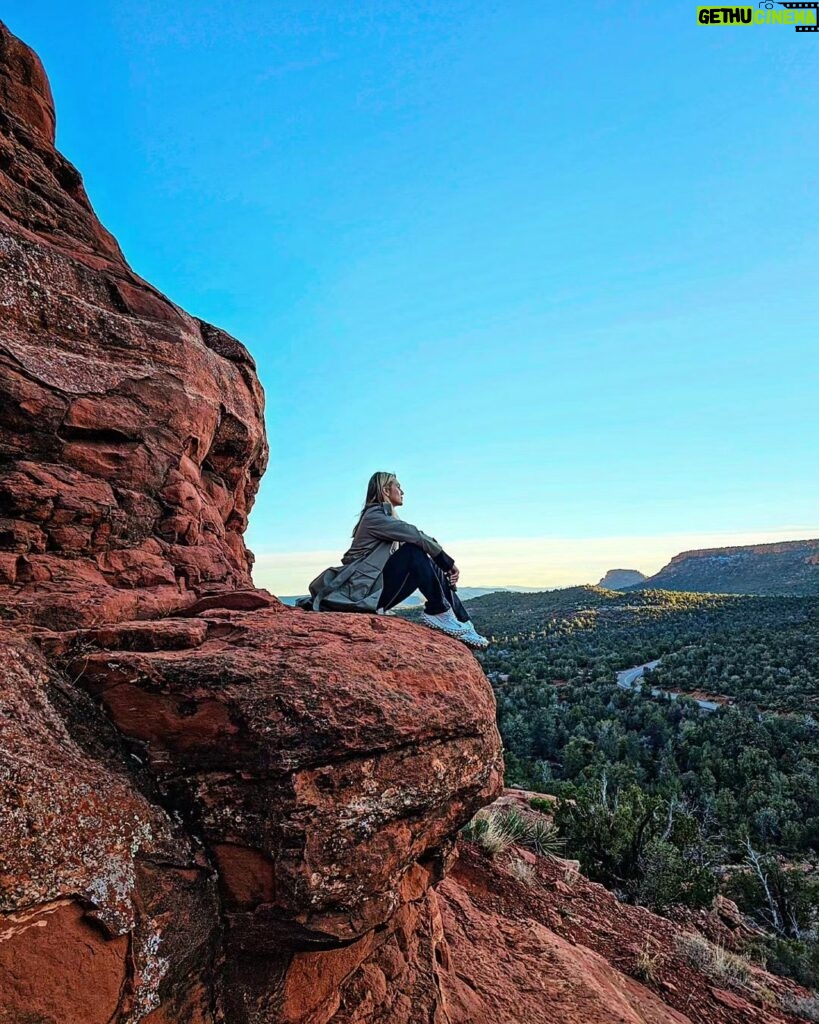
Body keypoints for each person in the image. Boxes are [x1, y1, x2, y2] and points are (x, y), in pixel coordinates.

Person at [300, 472, 489, 650]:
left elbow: (420, 540)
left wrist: (441, 563)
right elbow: (415, 535)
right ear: (385, 491)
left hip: (375, 590)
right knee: (414, 551)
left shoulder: (386, 518)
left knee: (424, 556)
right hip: (360, 594)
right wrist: (447, 562)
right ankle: (438, 610)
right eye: (397, 487)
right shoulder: (374, 516)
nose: (402, 491)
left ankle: (463, 622)